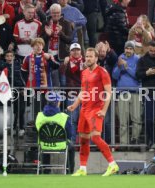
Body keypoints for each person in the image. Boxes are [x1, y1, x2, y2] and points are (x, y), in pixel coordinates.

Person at [67, 47, 119, 176]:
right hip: (84, 109)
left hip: (96, 109)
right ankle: (83, 169)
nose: (88, 58)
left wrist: (104, 110)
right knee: (83, 139)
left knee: (95, 137)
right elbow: (83, 92)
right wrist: (74, 105)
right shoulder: (84, 72)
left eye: (91, 56)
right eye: (87, 56)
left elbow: (108, 93)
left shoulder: (102, 72)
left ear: (96, 58)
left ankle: (113, 164)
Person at [35, 91, 75, 174]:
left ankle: (46, 171)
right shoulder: (63, 117)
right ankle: (69, 171)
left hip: (44, 144)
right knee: (72, 147)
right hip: (61, 144)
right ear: (57, 103)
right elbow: (70, 134)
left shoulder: (39, 115)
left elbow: (38, 130)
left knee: (45, 140)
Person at [112, 41, 142, 145]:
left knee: (136, 118)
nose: (128, 50)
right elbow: (114, 76)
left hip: (135, 92)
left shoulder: (138, 59)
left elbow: (138, 76)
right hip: (122, 93)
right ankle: (124, 143)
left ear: (134, 50)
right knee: (123, 121)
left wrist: (126, 67)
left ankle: (135, 140)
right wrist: (120, 67)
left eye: (130, 49)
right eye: (126, 48)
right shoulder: (120, 59)